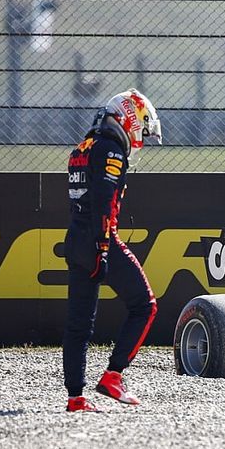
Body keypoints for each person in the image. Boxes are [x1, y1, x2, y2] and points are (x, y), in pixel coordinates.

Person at [62, 89, 162, 412]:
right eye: (141, 130)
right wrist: (104, 249)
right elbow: (104, 204)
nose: (140, 140)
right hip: (98, 240)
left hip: (75, 240)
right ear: (128, 118)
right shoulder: (111, 150)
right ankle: (113, 375)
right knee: (145, 305)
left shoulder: (82, 147)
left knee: (78, 324)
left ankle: (75, 397)